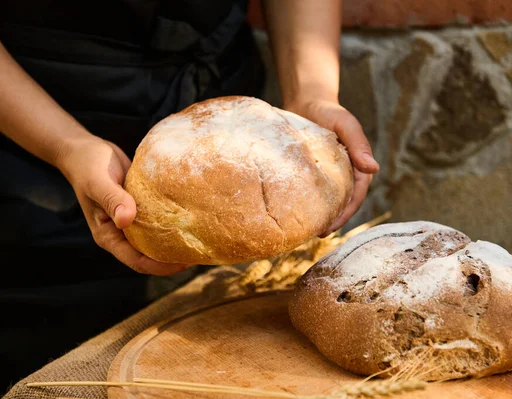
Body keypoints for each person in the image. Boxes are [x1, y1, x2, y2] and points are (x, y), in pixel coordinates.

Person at [0, 0, 380, 392]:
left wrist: (311, 93)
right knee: (65, 356)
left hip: (227, 109)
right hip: (37, 122)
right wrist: (67, 146)